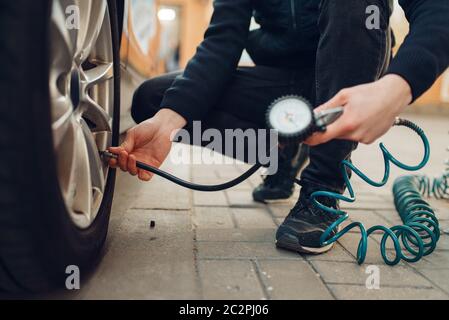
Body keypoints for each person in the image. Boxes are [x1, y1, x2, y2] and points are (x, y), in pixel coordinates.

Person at [109, 0, 449, 254]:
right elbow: (221, 42)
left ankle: (322, 188)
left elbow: (436, 9)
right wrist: (168, 121)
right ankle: (282, 152)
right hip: (283, 86)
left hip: (351, 74)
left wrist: (397, 86)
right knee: (154, 98)